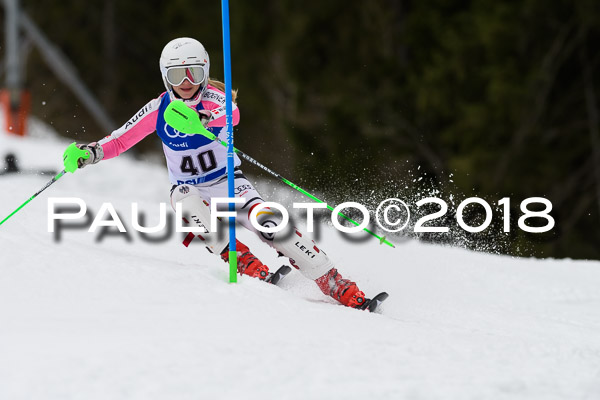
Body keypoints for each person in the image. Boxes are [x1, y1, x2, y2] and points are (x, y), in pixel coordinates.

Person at [65, 37, 367, 308]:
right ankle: (238, 257)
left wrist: (204, 120)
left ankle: (333, 280)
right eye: (176, 75)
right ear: (165, 77)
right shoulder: (158, 108)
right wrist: (90, 152)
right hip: (189, 190)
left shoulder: (215, 99)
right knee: (186, 199)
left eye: (193, 73)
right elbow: (121, 138)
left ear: (205, 72)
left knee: (273, 224)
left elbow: (232, 115)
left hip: (230, 185)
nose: (186, 81)